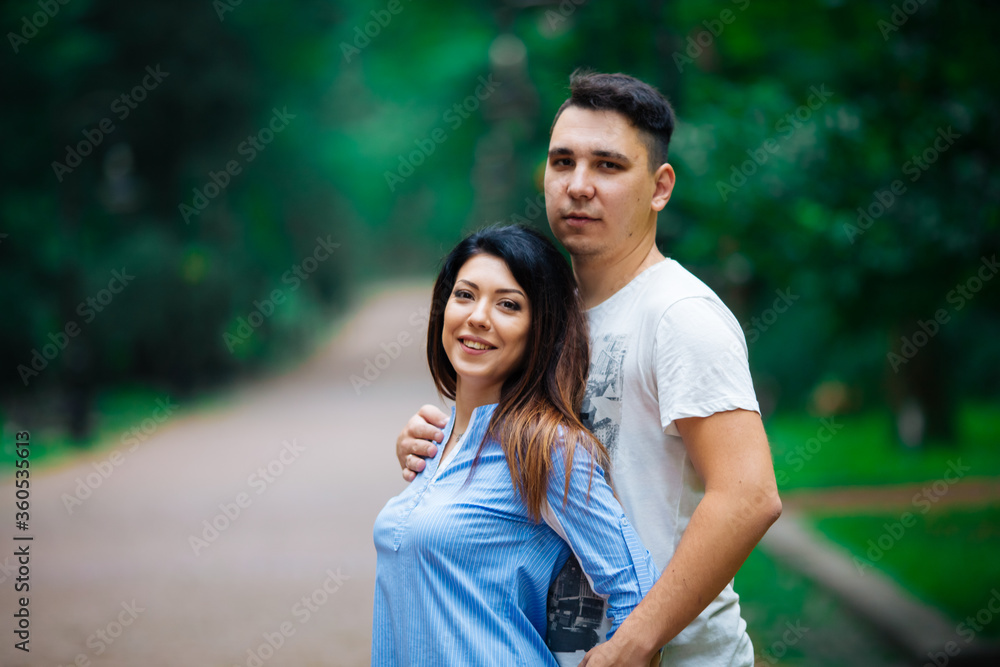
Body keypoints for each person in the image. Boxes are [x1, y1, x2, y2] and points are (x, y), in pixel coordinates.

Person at [396, 71, 782, 666]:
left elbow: (748, 496)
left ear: (659, 187)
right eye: (563, 162)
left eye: (607, 166)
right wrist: (442, 443)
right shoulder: (551, 313)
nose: (578, 186)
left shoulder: (679, 315)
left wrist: (634, 642)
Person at [372, 225, 661, 667]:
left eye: (508, 304)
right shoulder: (436, 442)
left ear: (540, 329)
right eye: (465, 295)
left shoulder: (546, 447)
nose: (478, 317)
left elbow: (637, 590)